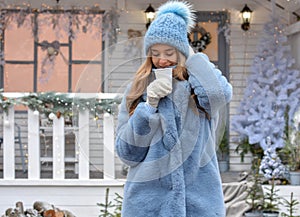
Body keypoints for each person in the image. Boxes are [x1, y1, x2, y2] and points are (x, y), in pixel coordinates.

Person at [115, 1, 232, 217]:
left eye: (169, 51)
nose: (161, 59)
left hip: (198, 203)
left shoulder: (197, 87)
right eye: (155, 52)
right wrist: (148, 107)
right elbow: (127, 154)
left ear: (181, 52)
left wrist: (193, 57)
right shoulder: (138, 89)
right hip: (148, 205)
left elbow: (220, 95)